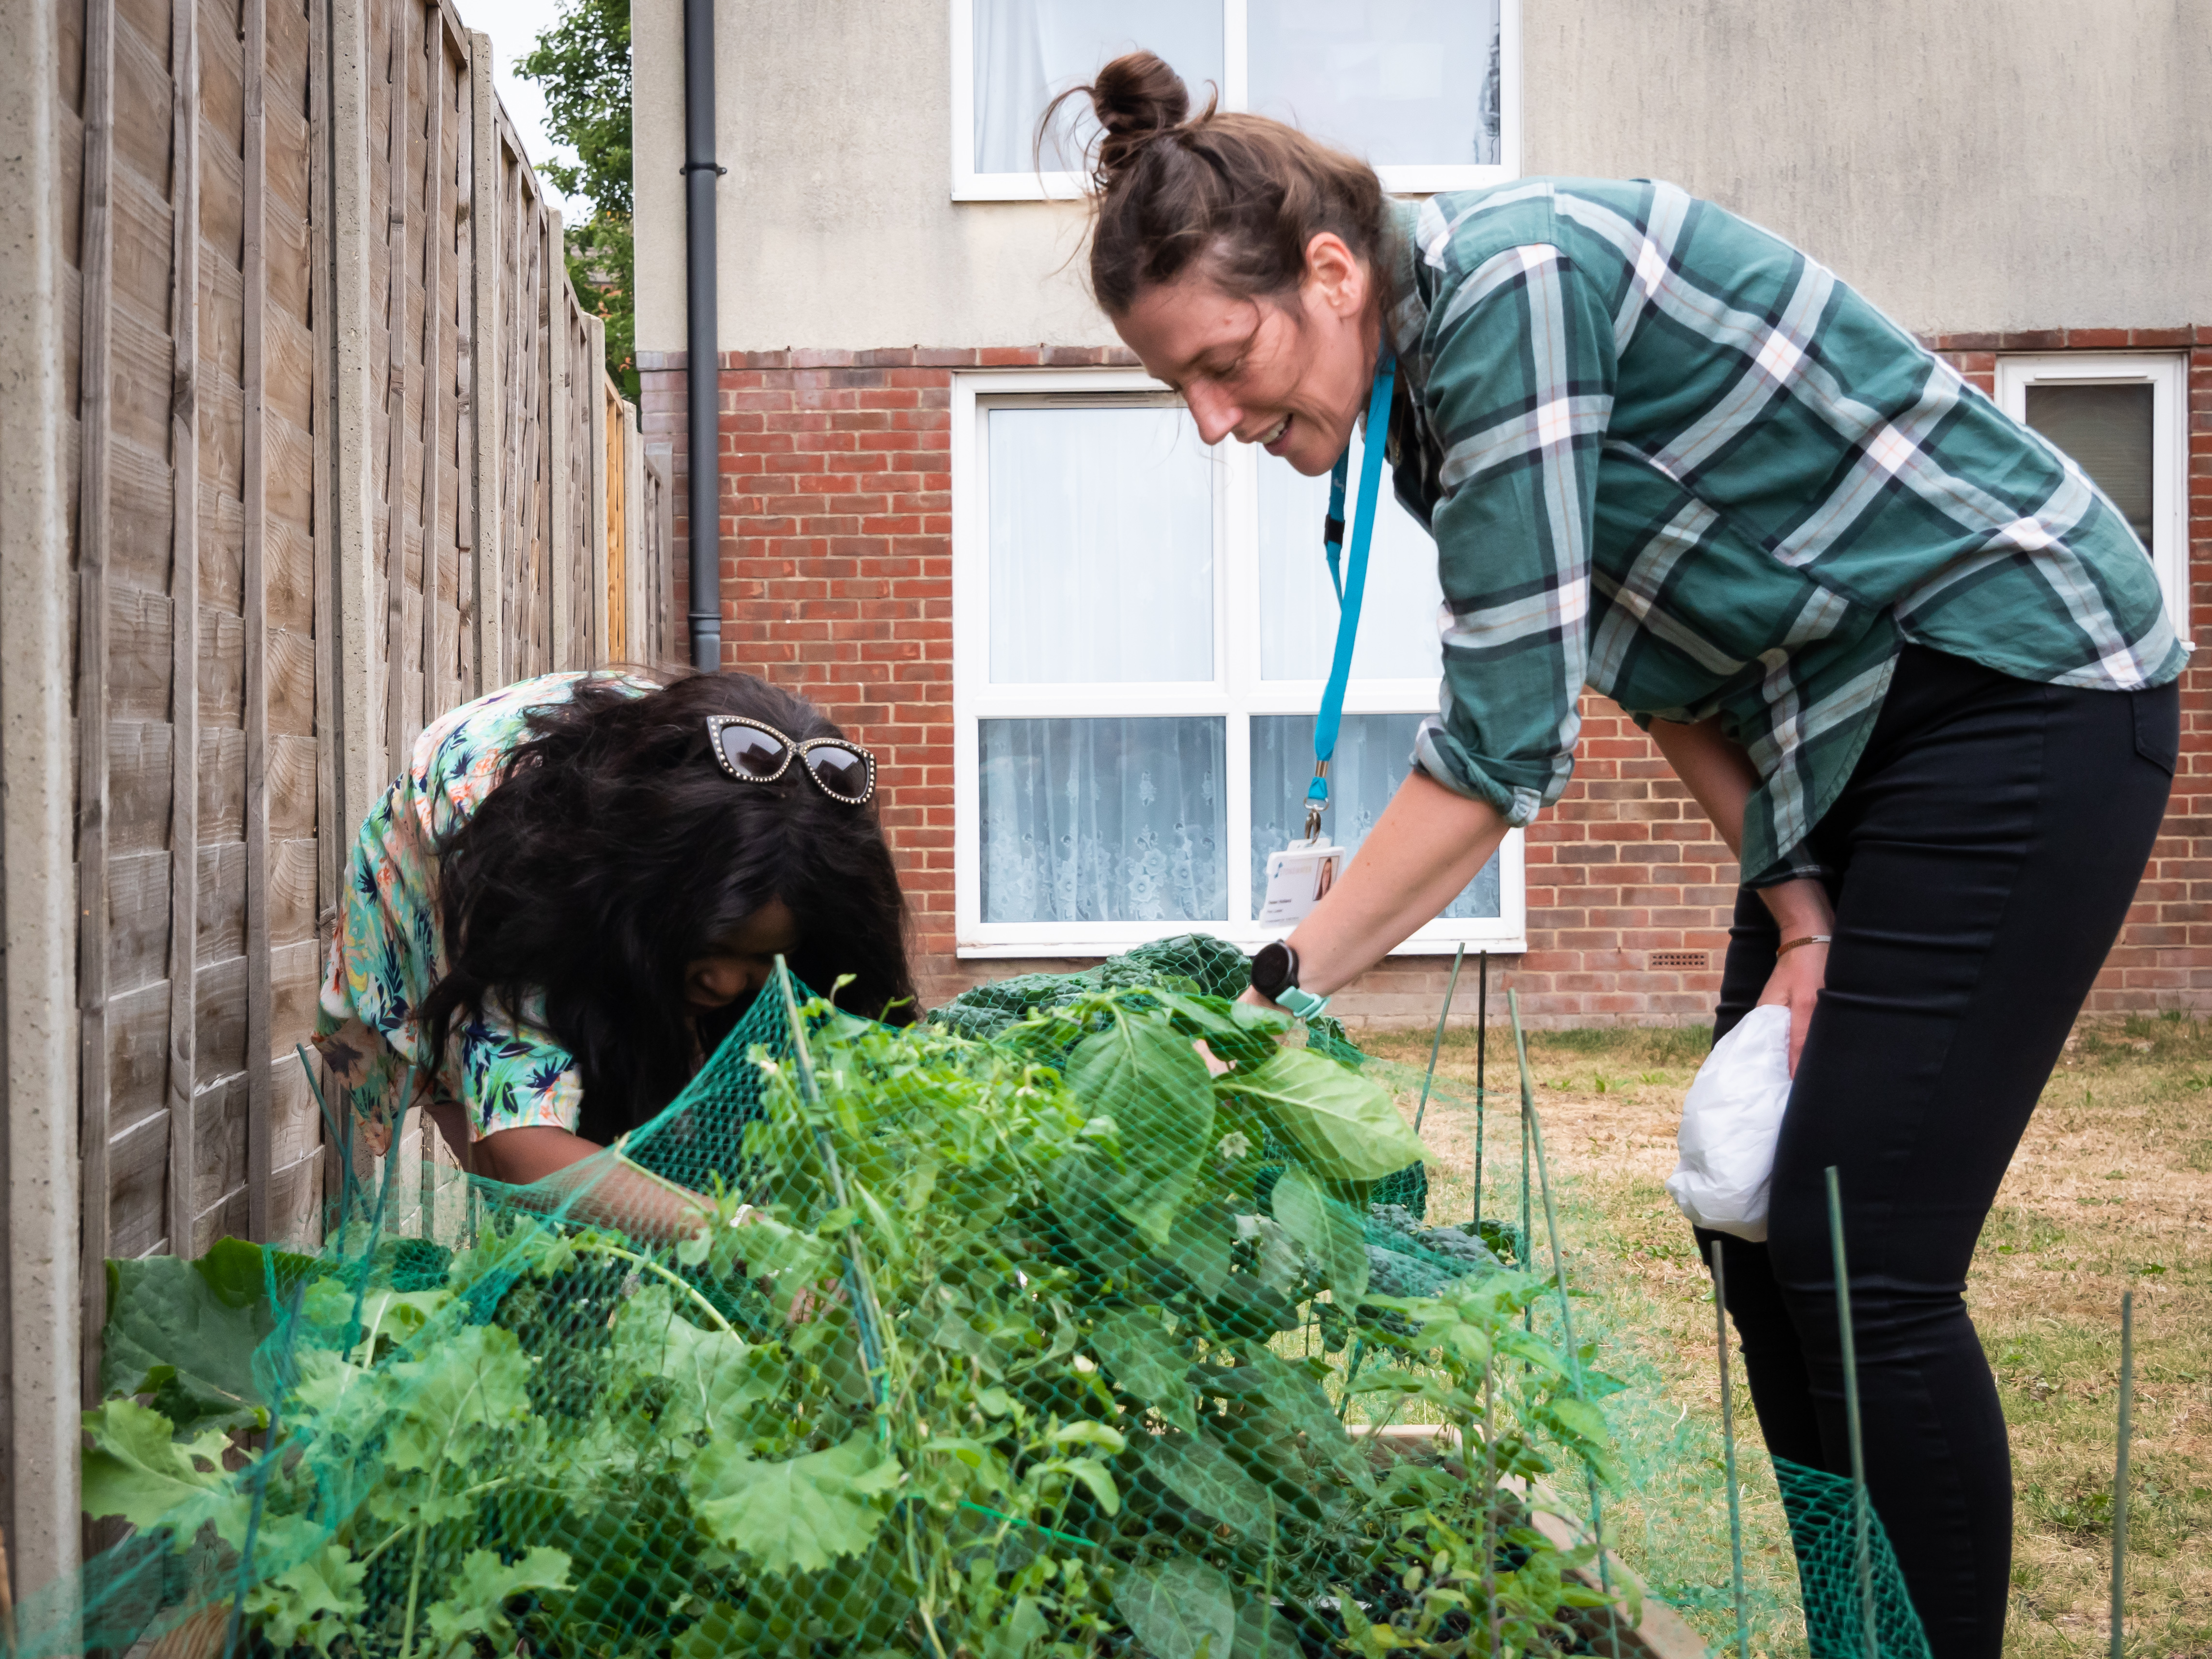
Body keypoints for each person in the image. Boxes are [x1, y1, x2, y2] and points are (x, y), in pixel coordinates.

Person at [1056, 52, 2183, 1659]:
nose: (1210, 420)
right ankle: (1862, 1635)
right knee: (1757, 1242)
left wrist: (1276, 980)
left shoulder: (1513, 292)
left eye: (1222, 365)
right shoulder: (1429, 405)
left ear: (1326, 270)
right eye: (1178, 385)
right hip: (1843, 728)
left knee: (1861, 1259)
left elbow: (1495, 753)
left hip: (2014, 673)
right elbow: (1648, 669)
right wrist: (1797, 914)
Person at [313, 669, 916, 1242]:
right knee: (510, 1166)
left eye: (764, 958)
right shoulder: (534, 879)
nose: (729, 981)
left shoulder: (777, 816)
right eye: (711, 945)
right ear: (651, 893)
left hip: (605, 901)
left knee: (669, 1145)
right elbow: (518, 1150)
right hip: (449, 873)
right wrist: (741, 1234)